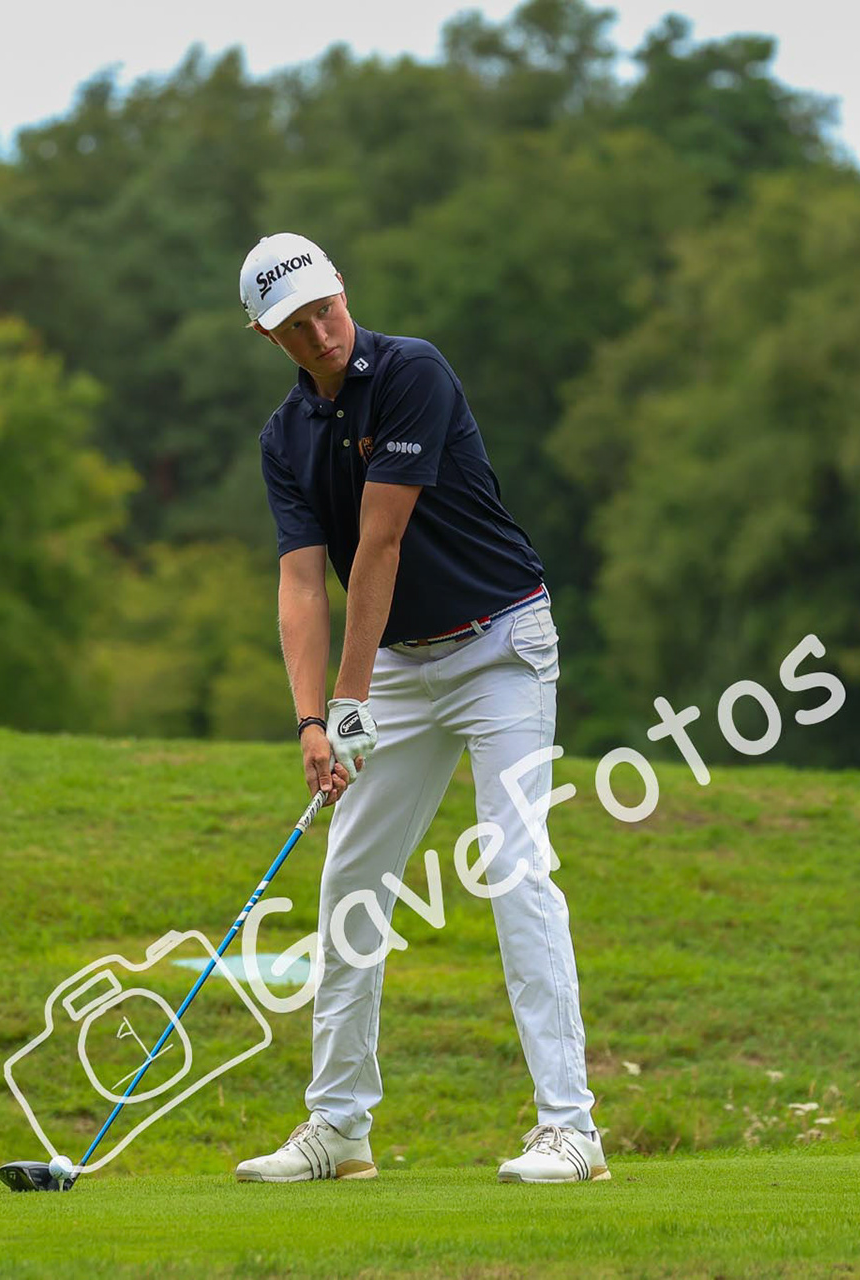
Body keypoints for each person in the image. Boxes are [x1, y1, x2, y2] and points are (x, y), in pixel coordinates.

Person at [231, 232, 606, 1185]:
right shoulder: (285, 439)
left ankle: (572, 1130)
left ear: (343, 290)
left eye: (326, 307)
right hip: (395, 665)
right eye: (295, 323)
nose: (320, 331)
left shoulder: (411, 373)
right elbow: (302, 587)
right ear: (265, 334)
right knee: (350, 883)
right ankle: (339, 1129)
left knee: (517, 868)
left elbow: (381, 546)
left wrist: (349, 701)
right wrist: (314, 720)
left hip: (500, 648)